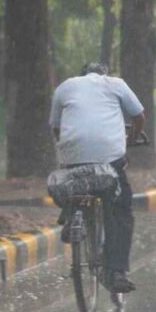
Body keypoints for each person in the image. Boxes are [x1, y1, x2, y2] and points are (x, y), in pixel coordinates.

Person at [49, 62, 145, 293]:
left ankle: (72, 213)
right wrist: (130, 138)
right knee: (120, 208)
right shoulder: (115, 84)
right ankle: (117, 272)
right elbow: (139, 115)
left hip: (73, 159)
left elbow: (56, 128)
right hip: (108, 161)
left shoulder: (65, 86)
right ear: (104, 74)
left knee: (75, 181)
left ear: (81, 75)